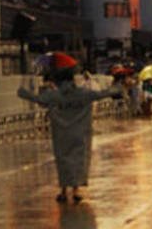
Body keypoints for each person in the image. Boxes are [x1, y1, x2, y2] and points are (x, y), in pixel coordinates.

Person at [18, 67, 121, 203]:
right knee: (79, 160)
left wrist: (22, 92)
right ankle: (76, 190)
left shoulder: (54, 95)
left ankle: (63, 191)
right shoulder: (83, 93)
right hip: (81, 132)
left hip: (61, 134)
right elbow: (101, 94)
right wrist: (119, 88)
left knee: (63, 161)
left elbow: (39, 99)